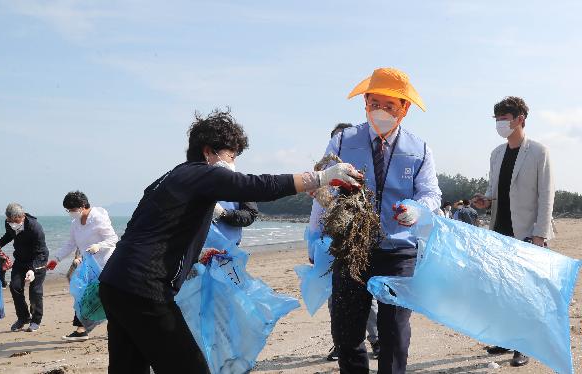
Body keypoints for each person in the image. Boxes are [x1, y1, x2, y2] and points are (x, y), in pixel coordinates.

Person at [97, 108, 362, 373]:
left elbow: (145, 228)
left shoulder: (173, 177)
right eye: (231, 155)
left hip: (114, 282)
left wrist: (195, 254)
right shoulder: (204, 173)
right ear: (208, 152)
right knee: (189, 366)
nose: (233, 163)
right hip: (145, 288)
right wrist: (320, 178)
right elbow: (258, 185)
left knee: (127, 367)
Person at [311, 67, 441, 374]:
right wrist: (315, 235)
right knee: (346, 331)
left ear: (404, 109)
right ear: (365, 103)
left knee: (395, 333)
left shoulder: (420, 149)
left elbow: (431, 193)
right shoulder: (343, 141)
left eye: (389, 106)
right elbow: (323, 187)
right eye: (374, 104)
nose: (380, 112)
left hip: (399, 251)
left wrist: (417, 210)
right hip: (351, 248)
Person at [472, 96, 554, 367]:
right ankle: (506, 339)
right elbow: (494, 191)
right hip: (500, 230)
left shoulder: (538, 152)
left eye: (504, 118)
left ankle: (524, 344)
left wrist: (540, 234)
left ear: (520, 119)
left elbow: (546, 196)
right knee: (503, 290)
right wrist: (485, 201)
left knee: (524, 291)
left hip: (528, 232)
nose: (500, 124)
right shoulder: (496, 153)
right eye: (497, 119)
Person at [319, 122, 380, 362]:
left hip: (364, 245)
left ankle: (377, 341)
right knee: (338, 300)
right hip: (338, 248)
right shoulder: (327, 178)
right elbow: (320, 212)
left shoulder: (362, 172)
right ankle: (341, 344)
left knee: (368, 299)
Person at [47, 191, 119, 342]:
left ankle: (116, 328)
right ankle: (81, 330)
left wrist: (99, 245)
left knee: (108, 296)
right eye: (68, 210)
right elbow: (70, 244)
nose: (70, 213)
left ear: (82, 206)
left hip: (106, 263)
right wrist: (56, 259)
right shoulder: (75, 224)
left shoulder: (98, 218)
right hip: (88, 265)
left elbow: (113, 238)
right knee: (82, 295)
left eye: (72, 210)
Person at [0, 203, 48, 332]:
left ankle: (36, 320)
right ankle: (23, 318)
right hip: (20, 260)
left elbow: (41, 252)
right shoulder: (9, 223)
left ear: (21, 216)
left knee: (35, 292)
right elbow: (9, 235)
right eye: (9, 220)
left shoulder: (35, 227)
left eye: (14, 221)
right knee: (15, 287)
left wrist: (33, 269)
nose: (11, 223)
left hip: (37, 261)